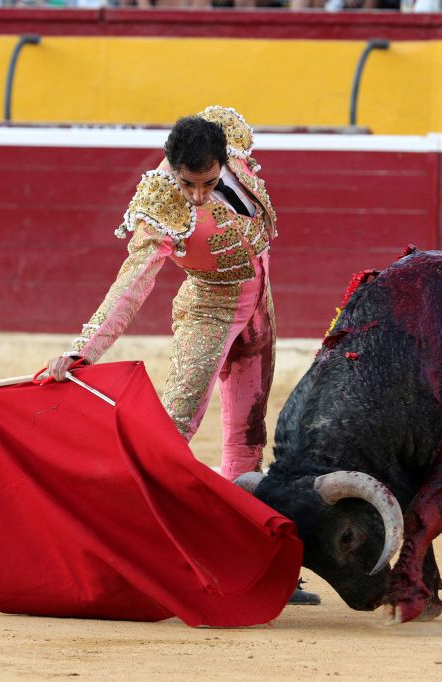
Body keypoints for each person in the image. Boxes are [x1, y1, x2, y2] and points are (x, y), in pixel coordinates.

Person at [44, 105, 319, 605]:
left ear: (223, 161)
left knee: (247, 439)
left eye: (207, 183)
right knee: (172, 432)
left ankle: (249, 561)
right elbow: (132, 284)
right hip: (209, 311)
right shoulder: (161, 203)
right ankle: (128, 556)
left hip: (260, 310)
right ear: (172, 168)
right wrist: (84, 349)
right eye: (187, 183)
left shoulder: (230, 142)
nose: (196, 195)